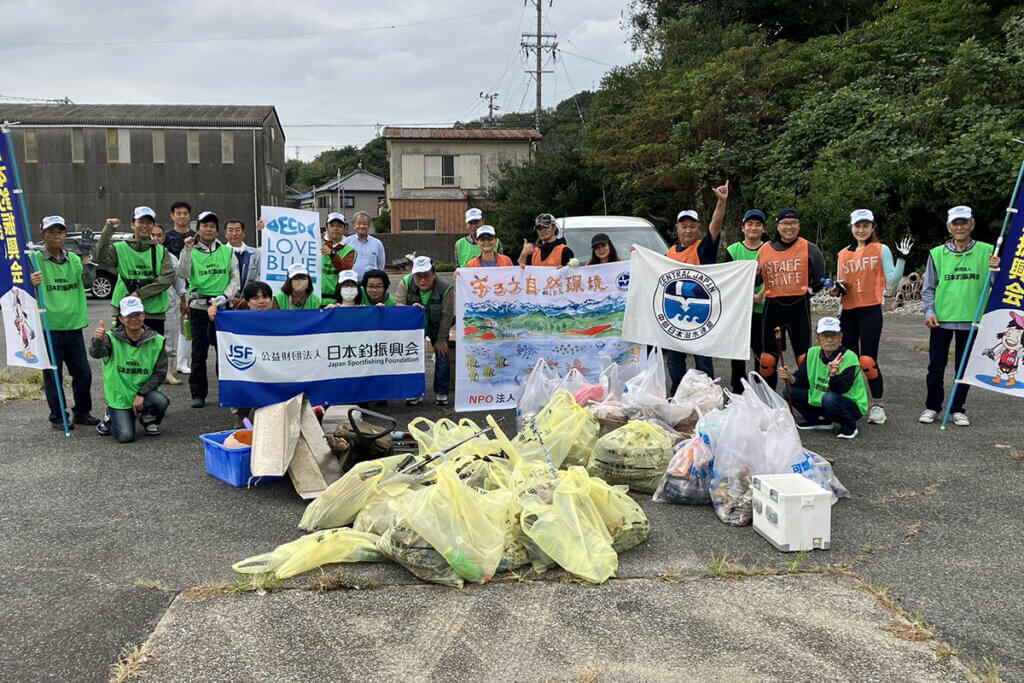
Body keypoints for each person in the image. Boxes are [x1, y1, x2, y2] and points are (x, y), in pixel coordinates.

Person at [919, 205, 1000, 426]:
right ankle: (932, 407)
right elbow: (928, 288)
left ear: (972, 225)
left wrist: (997, 269)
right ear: (948, 226)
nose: (960, 227)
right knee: (936, 367)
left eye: (964, 222)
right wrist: (929, 311)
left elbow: (998, 286)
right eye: (956, 223)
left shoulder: (987, 251)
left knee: (963, 368)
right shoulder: (937, 254)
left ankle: (957, 409)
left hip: (973, 321)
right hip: (941, 320)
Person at [833, 209, 912, 425]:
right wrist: (836, 289)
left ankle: (878, 405)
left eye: (865, 225)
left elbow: (893, 280)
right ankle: (851, 400)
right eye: (857, 226)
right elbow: (841, 283)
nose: (861, 230)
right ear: (851, 227)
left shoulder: (880, 249)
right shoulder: (842, 254)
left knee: (868, 360)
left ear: (872, 227)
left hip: (870, 310)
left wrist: (902, 259)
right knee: (847, 360)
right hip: (848, 311)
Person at [29, 215, 99, 428]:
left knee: (83, 374)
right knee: (53, 376)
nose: (57, 236)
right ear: (43, 235)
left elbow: (88, 281)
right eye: (51, 232)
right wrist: (29, 281)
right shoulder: (34, 260)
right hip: (48, 328)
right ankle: (58, 416)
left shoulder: (74, 260)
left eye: (60, 232)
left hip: (73, 326)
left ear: (65, 235)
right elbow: (19, 287)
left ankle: (82, 412)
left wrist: (88, 257)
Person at [663, 182, 729, 390]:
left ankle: (707, 393)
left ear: (698, 228)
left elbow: (716, 227)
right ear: (677, 228)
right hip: (674, 316)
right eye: (684, 226)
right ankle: (678, 393)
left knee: (702, 360)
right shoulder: (670, 252)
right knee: (674, 360)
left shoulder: (704, 249)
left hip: (700, 315)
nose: (688, 230)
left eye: (692, 226)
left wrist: (721, 201)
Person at [756, 207, 827, 390]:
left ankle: (804, 398)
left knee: (804, 358)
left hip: (799, 308)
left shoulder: (810, 248)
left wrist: (807, 293)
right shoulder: (764, 250)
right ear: (777, 226)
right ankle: (768, 399)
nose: (789, 227)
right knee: (768, 359)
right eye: (785, 223)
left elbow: (820, 279)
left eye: (794, 223)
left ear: (799, 225)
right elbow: (755, 279)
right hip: (773, 307)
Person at [176, 211, 240, 408]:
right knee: (198, 353)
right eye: (205, 225)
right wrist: (186, 250)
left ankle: (227, 392)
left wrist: (225, 297)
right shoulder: (190, 250)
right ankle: (198, 394)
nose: (209, 229)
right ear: (198, 229)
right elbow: (183, 273)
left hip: (222, 308)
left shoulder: (227, 251)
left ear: (217, 230)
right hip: (198, 307)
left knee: (225, 353)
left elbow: (235, 279)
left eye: (212, 225)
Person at [92, 297, 169, 443]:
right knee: (125, 436)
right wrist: (97, 341)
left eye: (138, 314)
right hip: (120, 398)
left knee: (160, 401)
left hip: (143, 393)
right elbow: (96, 353)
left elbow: (160, 374)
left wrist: (141, 393)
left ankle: (148, 418)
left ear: (144, 315)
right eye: (129, 315)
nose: (134, 319)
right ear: (121, 318)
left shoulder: (157, 341)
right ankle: (110, 416)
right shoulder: (110, 338)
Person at [778, 316, 868, 439]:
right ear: (817, 338)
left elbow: (842, 389)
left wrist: (834, 374)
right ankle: (820, 419)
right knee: (789, 392)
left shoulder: (850, 357)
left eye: (834, 335)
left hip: (851, 404)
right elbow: (803, 380)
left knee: (829, 398)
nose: (830, 340)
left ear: (840, 337)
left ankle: (849, 425)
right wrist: (790, 377)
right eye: (825, 336)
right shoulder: (812, 353)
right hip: (824, 399)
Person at [96, 207, 175, 335]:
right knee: (123, 349)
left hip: (153, 311)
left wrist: (139, 294)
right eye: (140, 222)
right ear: (133, 224)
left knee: (153, 350)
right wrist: (108, 230)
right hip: (125, 310)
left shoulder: (161, 250)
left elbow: (166, 279)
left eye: (149, 223)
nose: (145, 226)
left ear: (153, 226)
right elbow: (99, 257)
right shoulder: (120, 248)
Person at [396, 256, 453, 406]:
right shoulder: (405, 283)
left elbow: (447, 315)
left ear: (433, 274)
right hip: (413, 328)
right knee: (411, 357)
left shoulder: (446, 288)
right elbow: (398, 305)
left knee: (443, 355)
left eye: (426, 275)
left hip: (437, 325)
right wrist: (409, 309)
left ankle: (442, 392)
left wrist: (441, 339)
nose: (422, 280)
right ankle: (413, 392)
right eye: (418, 276)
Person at [218, 281, 273, 428]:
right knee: (239, 379)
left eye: (265, 297)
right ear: (247, 301)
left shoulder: (280, 319)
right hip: (248, 367)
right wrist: (213, 319)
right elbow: (215, 339)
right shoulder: (235, 319)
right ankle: (242, 419)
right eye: (255, 298)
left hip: (272, 368)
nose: (261, 301)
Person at [724, 209, 767, 394]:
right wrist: (746, 297)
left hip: (763, 308)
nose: (753, 228)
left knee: (762, 353)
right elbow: (728, 279)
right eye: (750, 224)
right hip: (740, 311)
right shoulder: (733, 250)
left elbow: (776, 277)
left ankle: (761, 391)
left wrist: (760, 295)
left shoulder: (770, 249)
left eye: (758, 224)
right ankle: (737, 391)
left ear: (763, 228)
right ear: (743, 228)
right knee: (738, 353)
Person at [148, 224, 184, 385]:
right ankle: (148, 373)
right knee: (148, 339)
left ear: (163, 238)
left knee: (169, 339)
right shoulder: (141, 255)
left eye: (159, 235)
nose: (155, 238)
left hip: (169, 303)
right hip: (147, 305)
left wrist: (183, 299)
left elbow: (179, 282)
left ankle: (168, 372)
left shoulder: (171, 257)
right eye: (152, 235)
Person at [320, 212, 357, 305]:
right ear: (326, 228)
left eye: (339, 226)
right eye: (332, 225)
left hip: (337, 301)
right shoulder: (315, 245)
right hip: (315, 299)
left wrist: (332, 254)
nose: (335, 228)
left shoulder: (350, 250)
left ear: (344, 229)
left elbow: (345, 270)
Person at [344, 211, 386, 280]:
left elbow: (381, 266)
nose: (362, 226)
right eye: (358, 223)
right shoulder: (347, 242)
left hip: (371, 284)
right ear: (354, 225)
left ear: (369, 226)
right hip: (351, 283)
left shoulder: (377, 243)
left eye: (364, 223)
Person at [225, 219, 261, 289]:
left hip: (250, 297)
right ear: (225, 234)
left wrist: (248, 296)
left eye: (238, 230)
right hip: (225, 297)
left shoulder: (256, 254)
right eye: (230, 230)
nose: (234, 234)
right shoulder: (219, 253)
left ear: (244, 233)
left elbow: (258, 276)